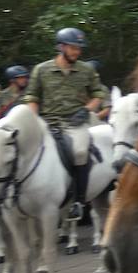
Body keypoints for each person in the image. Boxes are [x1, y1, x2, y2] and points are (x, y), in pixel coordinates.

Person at [23, 28, 107, 216]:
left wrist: (87, 110)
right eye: (73, 48)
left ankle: (78, 201)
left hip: (75, 122)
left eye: (79, 48)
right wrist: (35, 121)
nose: (77, 52)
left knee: (80, 151)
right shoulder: (42, 69)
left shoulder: (86, 70)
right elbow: (32, 97)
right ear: (61, 47)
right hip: (47, 122)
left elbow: (98, 94)